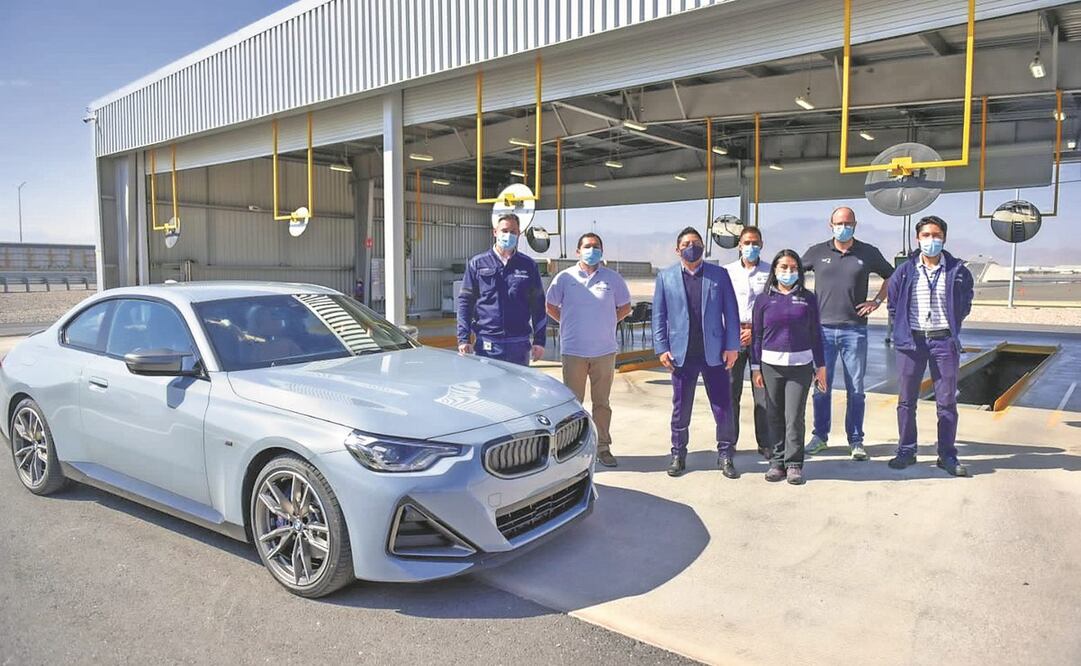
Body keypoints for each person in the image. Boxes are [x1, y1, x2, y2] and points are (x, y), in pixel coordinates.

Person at [801, 206, 894, 461]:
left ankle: (856, 440)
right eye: (839, 223)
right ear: (830, 225)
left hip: (855, 330)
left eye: (848, 223)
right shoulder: (817, 252)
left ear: (855, 224)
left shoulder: (868, 252)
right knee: (821, 386)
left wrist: (876, 301)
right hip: (821, 331)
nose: (844, 226)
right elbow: (792, 273)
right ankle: (820, 436)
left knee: (856, 388)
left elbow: (891, 276)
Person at [886, 215, 974, 476]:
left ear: (944, 237)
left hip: (943, 341)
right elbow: (893, 303)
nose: (931, 240)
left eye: (936, 235)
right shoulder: (906, 270)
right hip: (912, 341)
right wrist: (904, 328)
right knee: (906, 400)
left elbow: (965, 302)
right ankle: (906, 450)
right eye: (926, 235)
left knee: (946, 401)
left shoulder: (957, 270)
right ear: (917, 238)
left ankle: (946, 454)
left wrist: (952, 324)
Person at [652, 227, 741, 478]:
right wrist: (662, 348)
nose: (692, 246)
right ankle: (678, 454)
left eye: (696, 242)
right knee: (681, 408)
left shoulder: (719, 275)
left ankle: (725, 454)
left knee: (723, 406)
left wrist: (732, 346)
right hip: (682, 355)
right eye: (687, 243)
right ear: (677, 248)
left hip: (715, 354)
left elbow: (731, 313)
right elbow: (659, 316)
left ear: (703, 247)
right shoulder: (666, 277)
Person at [546, 233, 632, 467]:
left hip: (604, 351)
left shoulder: (612, 279)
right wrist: (569, 321)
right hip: (574, 351)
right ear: (577, 251)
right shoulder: (564, 278)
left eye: (596, 247)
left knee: (601, 403)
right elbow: (550, 305)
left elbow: (625, 306)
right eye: (587, 246)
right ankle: (572, 448)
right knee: (573, 404)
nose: (591, 250)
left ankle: (602, 447)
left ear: (602, 251)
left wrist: (607, 321)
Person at [750, 251, 827, 485]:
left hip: (800, 366)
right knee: (773, 415)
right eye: (783, 267)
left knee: (794, 416)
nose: (788, 272)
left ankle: (794, 464)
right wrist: (755, 368)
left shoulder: (808, 298)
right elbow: (756, 336)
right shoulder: (763, 300)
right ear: (774, 269)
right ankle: (777, 462)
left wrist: (821, 366)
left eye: (793, 268)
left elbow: (816, 333)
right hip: (770, 366)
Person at [457, 213, 546, 366]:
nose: (508, 235)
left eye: (513, 232)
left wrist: (539, 341)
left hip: (519, 344)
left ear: (519, 234)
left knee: (518, 389)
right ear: (495, 232)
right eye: (504, 230)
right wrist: (463, 338)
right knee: (489, 389)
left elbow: (538, 304)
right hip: (488, 344)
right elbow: (465, 302)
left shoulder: (528, 265)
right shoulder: (477, 264)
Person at [723, 226, 772, 458]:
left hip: (761, 338)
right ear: (739, 245)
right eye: (746, 243)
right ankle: (729, 442)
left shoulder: (771, 271)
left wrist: (755, 329)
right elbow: (721, 305)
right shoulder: (727, 271)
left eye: (755, 243)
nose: (751, 247)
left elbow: (774, 306)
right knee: (731, 392)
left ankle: (765, 443)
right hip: (733, 336)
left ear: (761, 245)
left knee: (762, 393)